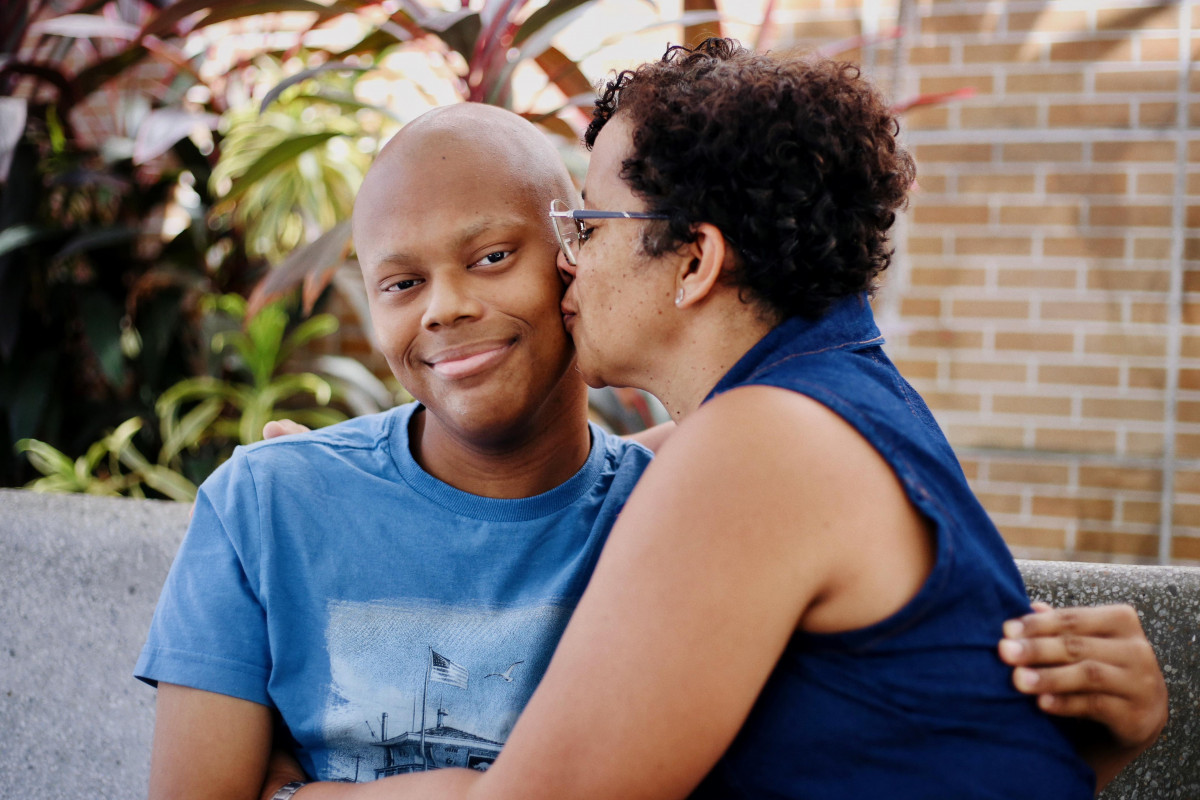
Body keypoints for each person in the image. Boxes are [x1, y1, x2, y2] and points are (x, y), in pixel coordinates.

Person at [139, 91, 1165, 800]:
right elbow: (909, 731)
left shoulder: (737, 462)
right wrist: (318, 491)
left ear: (694, 261)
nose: (576, 265)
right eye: (399, 280)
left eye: (581, 228)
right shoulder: (794, 426)